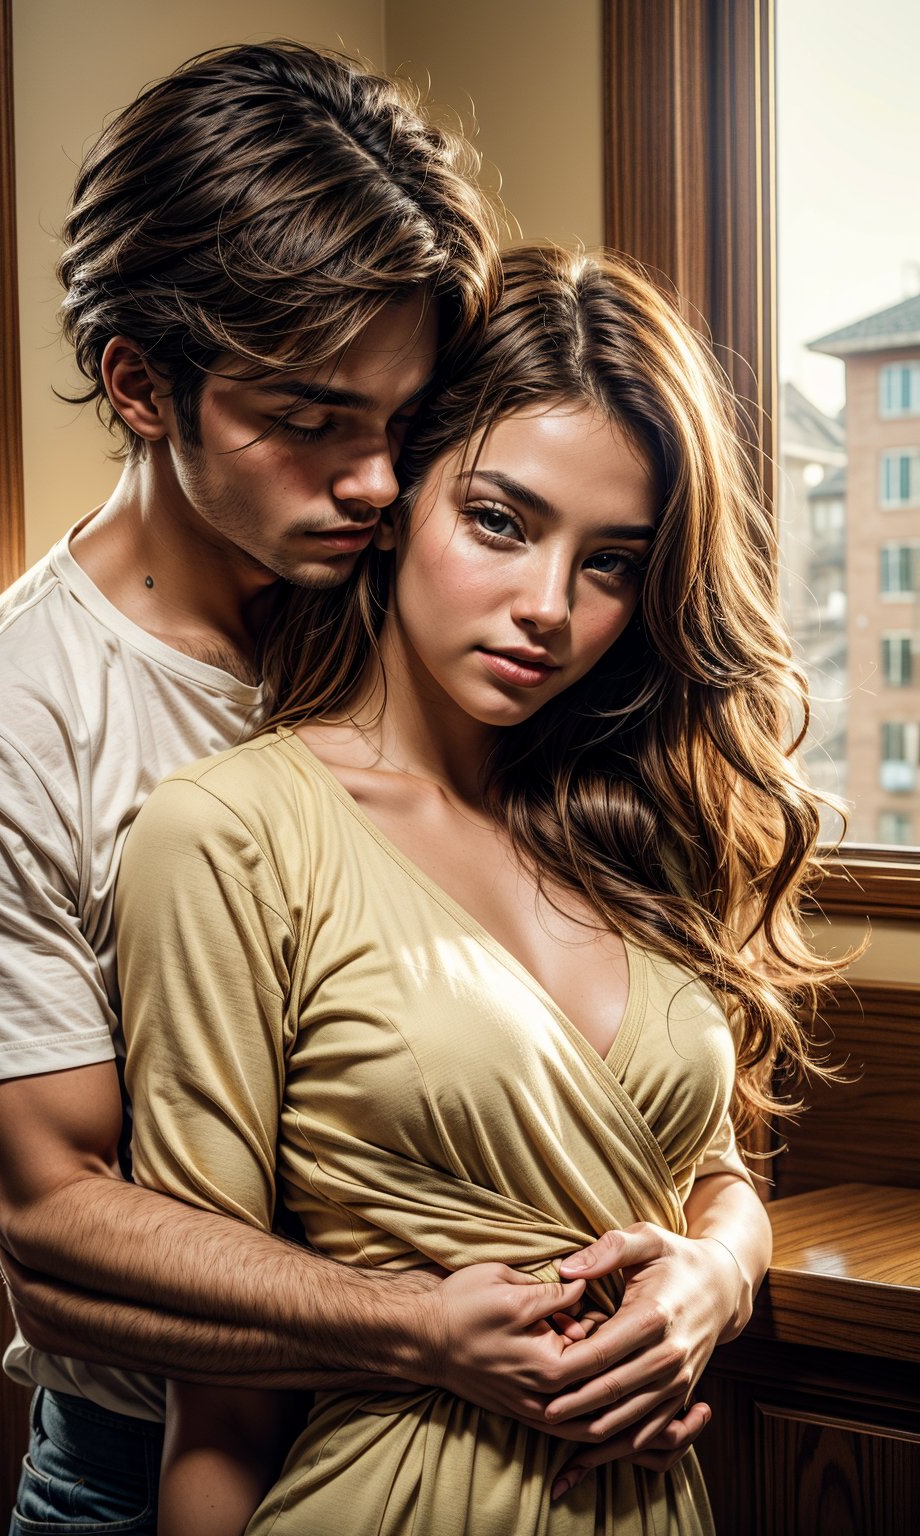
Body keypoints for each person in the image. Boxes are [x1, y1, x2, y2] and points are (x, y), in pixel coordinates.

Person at [0, 44, 737, 1535]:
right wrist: (418, 1328)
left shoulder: (445, 623)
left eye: (403, 425)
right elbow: (52, 1221)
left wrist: (714, 1272)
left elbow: (685, 1133)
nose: (369, 483)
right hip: (156, 1464)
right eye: (309, 419)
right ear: (141, 386)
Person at [117, 243, 837, 1535]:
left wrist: (719, 1276)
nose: (548, 608)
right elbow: (215, 1385)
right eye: (500, 522)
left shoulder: (638, 826)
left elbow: (716, 1169)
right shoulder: (228, 837)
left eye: (611, 561)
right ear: (396, 502)